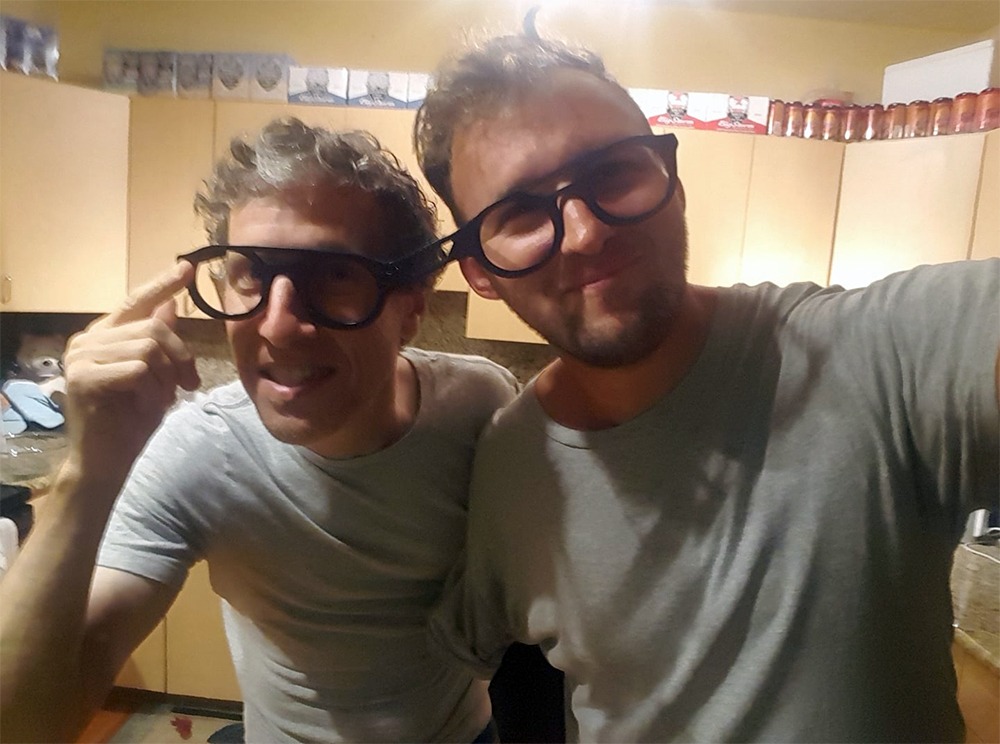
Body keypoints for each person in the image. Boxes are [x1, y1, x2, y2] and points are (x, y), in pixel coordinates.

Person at [413, 32, 1000, 743]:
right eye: (522, 212)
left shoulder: (874, 354)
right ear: (479, 271)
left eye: (612, 171)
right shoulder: (511, 460)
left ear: (672, 179)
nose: (586, 232)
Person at [0, 118, 520, 743]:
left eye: (333, 274)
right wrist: (87, 472)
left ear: (410, 308)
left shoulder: (480, 405)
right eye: (249, 271)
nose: (276, 326)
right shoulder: (199, 454)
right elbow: (23, 725)